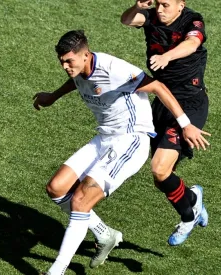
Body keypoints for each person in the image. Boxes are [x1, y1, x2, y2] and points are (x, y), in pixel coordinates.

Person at [33, 30, 209, 274]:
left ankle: (57, 271)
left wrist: (185, 123)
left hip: (130, 140)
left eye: (69, 61)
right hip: (104, 137)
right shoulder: (79, 68)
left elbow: (157, 86)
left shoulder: (112, 68)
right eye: (61, 61)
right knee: (56, 188)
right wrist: (52, 97)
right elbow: (77, 80)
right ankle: (105, 236)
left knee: (81, 200)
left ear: (86, 55)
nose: (64, 66)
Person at [120, 0, 211, 246]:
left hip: (190, 103)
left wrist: (166, 57)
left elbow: (192, 44)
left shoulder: (192, 20)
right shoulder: (151, 17)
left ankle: (188, 216)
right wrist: (136, 6)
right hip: (162, 102)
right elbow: (127, 20)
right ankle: (193, 197)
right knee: (161, 176)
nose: (160, 9)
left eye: (166, 5)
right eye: (158, 3)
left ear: (181, 5)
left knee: (159, 168)